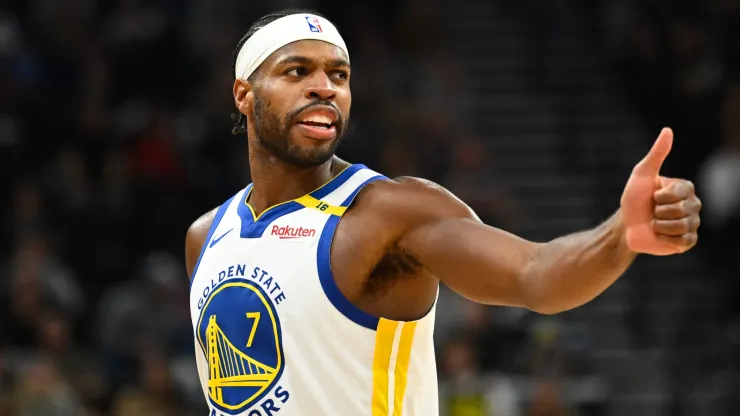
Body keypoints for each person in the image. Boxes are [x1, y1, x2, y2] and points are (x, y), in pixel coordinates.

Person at [185, 9, 702, 416]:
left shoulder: (389, 212)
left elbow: (535, 274)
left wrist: (620, 236)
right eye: (297, 71)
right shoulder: (205, 237)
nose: (325, 86)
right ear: (245, 96)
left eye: (338, 74)